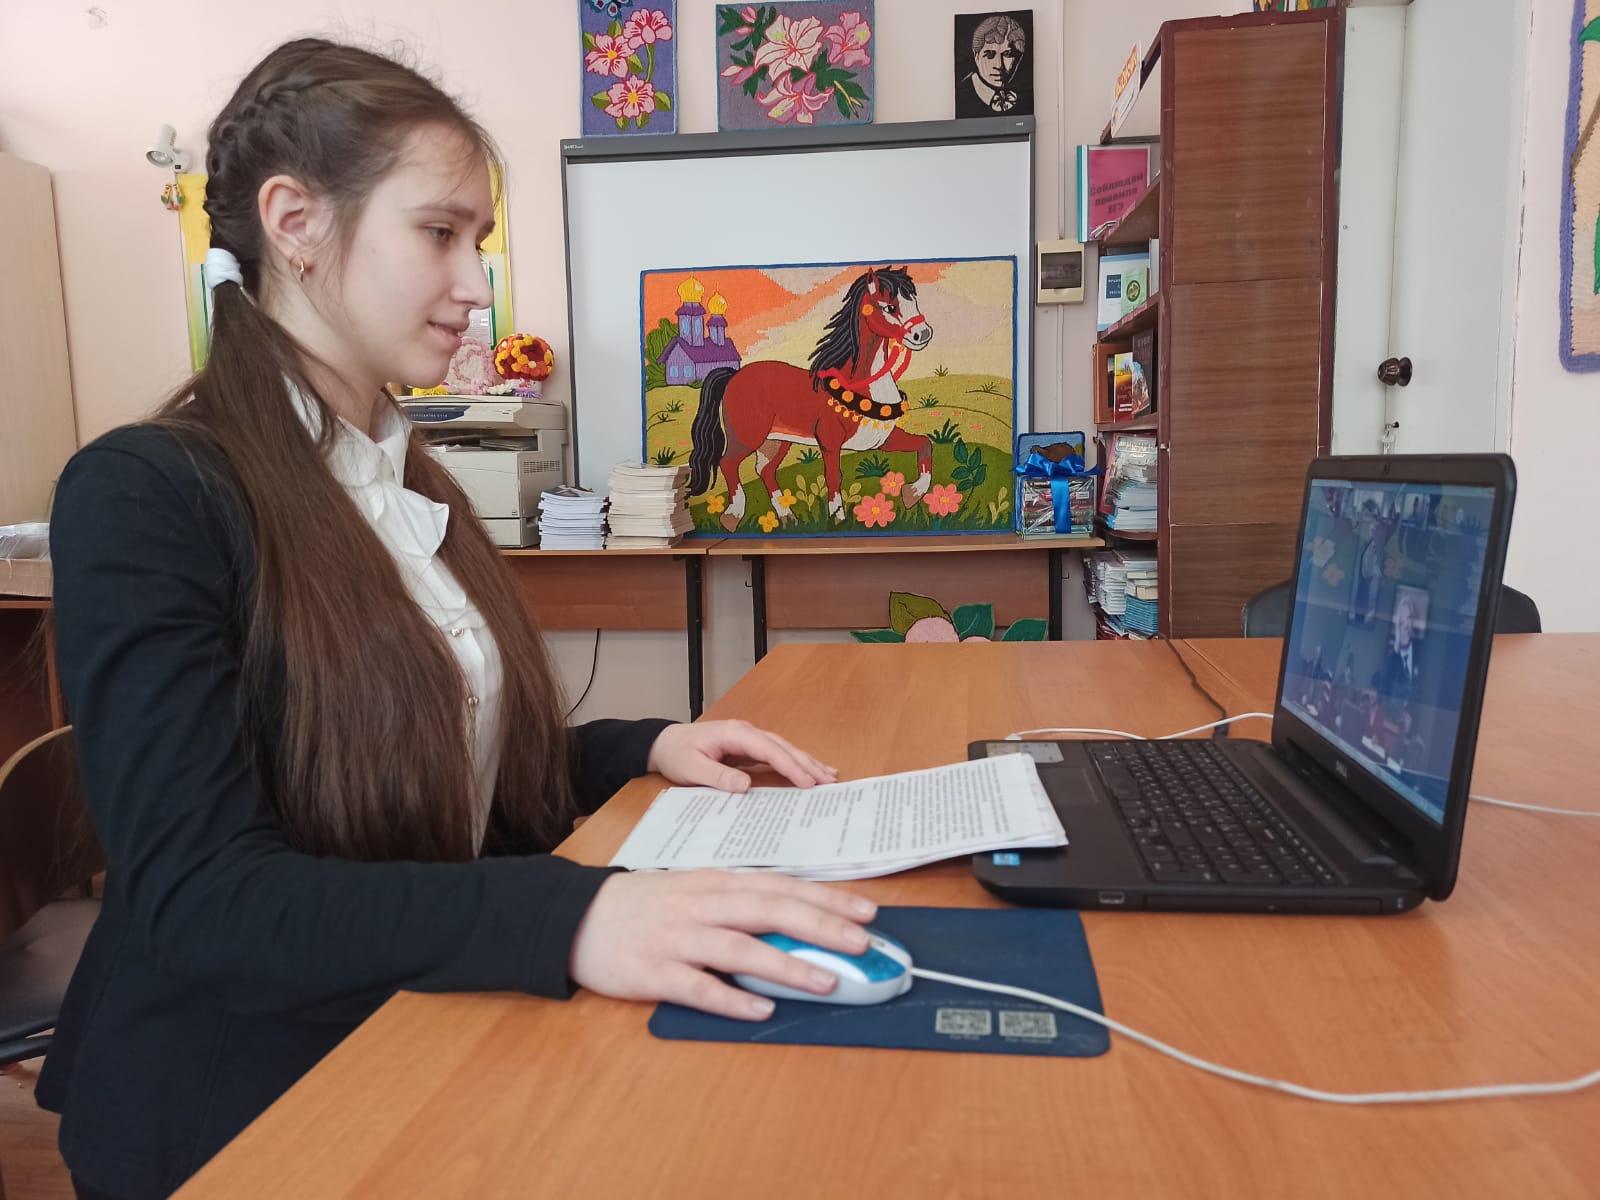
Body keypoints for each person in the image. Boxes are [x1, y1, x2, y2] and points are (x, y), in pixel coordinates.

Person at [40, 39, 876, 1200]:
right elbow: (207, 902)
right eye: (439, 233)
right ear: (295, 222)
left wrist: (642, 748)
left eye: (476, 240)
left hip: (412, 1035)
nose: (477, 285)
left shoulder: (406, 478)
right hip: (243, 1108)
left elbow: (426, 767)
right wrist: (576, 916)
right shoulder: (146, 493)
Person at [955, 14, 1028, 117]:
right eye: (990, 55)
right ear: (976, 56)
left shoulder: (1023, 97)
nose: (999, 65)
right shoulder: (962, 95)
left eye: (1007, 54)